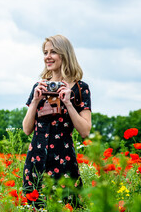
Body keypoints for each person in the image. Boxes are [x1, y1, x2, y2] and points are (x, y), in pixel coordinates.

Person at [22, 35, 92, 208]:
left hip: (64, 159)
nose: (48, 56)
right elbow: (26, 129)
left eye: (53, 52)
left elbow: (85, 131)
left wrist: (68, 102)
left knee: (66, 206)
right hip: (36, 159)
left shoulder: (80, 88)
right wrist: (36, 101)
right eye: (45, 52)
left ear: (64, 54)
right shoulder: (39, 86)